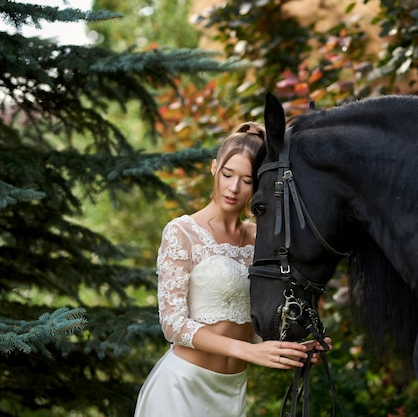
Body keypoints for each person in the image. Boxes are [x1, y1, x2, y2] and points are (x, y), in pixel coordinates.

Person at [134, 122, 330, 417]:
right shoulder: (182, 232)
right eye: (228, 174)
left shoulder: (260, 239)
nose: (234, 188)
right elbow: (172, 324)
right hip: (181, 387)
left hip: (232, 390)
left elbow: (257, 321)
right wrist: (249, 352)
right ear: (214, 168)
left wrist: (297, 347)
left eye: (247, 180)